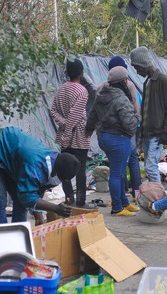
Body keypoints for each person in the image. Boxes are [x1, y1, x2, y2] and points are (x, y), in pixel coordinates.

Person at [0, 127, 80, 224]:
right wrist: (55, 208)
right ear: (56, 172)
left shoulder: (54, 160)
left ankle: (18, 236)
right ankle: (4, 239)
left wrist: (38, 214)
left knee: (20, 202)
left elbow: (35, 190)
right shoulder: (34, 166)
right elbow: (26, 196)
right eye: (61, 179)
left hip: (11, 156)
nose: (58, 182)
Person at [86, 66, 141, 216]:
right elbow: (129, 123)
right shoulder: (120, 98)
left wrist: (89, 130)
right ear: (124, 81)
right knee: (117, 173)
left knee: (120, 171)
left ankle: (124, 202)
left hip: (104, 137)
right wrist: (137, 118)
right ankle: (117, 208)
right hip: (118, 139)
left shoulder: (101, 95)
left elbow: (92, 116)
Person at [130, 46, 167, 183]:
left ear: (144, 64)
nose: (137, 71)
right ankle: (155, 196)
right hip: (148, 133)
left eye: (137, 67)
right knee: (148, 166)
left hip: (157, 133)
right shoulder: (148, 82)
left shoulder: (163, 80)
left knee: (151, 167)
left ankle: (159, 200)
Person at [99, 56, 142, 199]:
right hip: (125, 130)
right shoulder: (128, 85)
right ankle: (135, 192)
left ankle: (122, 193)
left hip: (108, 133)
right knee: (131, 159)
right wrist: (135, 122)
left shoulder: (103, 87)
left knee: (117, 164)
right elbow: (135, 106)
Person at [50, 58, 90, 208]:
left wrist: (63, 124)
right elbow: (75, 115)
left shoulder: (61, 89)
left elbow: (53, 110)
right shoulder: (82, 91)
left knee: (64, 168)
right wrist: (68, 129)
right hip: (78, 135)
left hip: (64, 135)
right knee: (80, 170)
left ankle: (69, 199)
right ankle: (80, 202)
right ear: (81, 73)